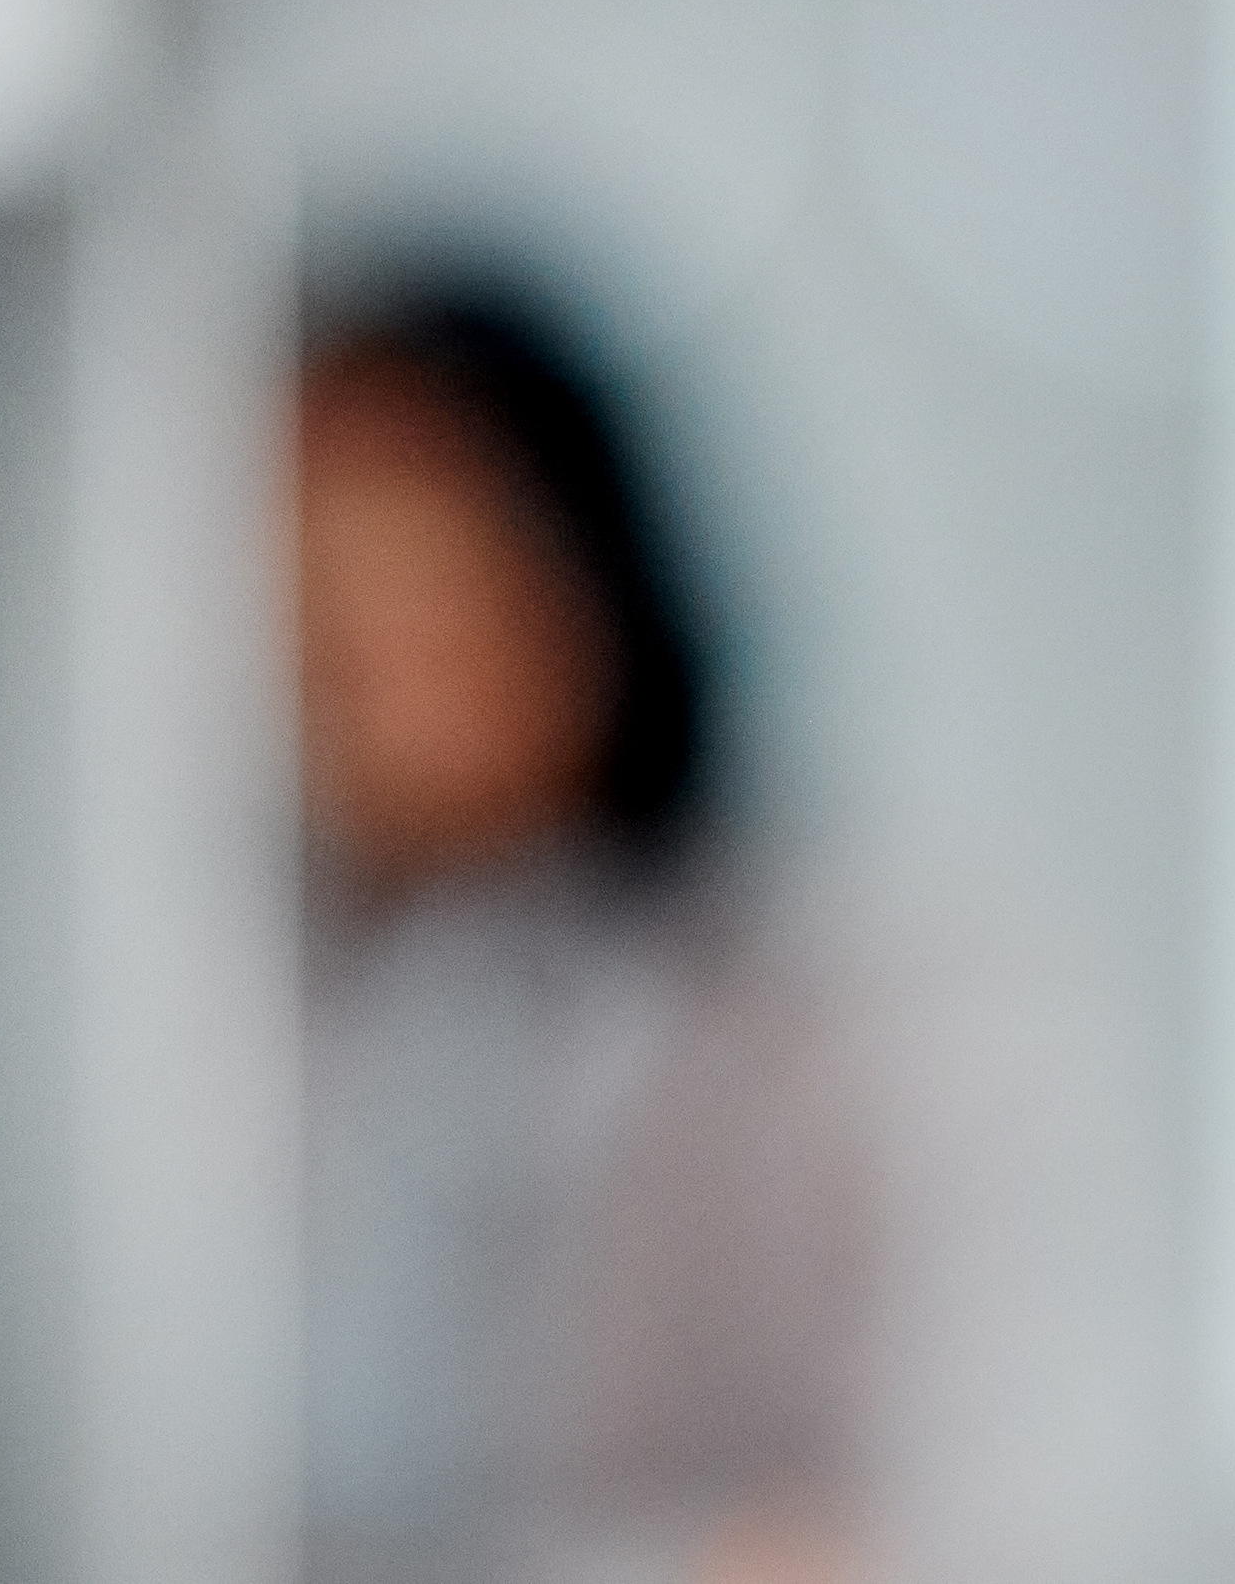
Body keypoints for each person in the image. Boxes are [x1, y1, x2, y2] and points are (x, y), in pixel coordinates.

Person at [290, 269, 884, 1584]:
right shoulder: (266, 1033)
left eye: (420, 600)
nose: (354, 687)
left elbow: (948, 1529)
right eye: (311, 628)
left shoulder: (857, 1022)